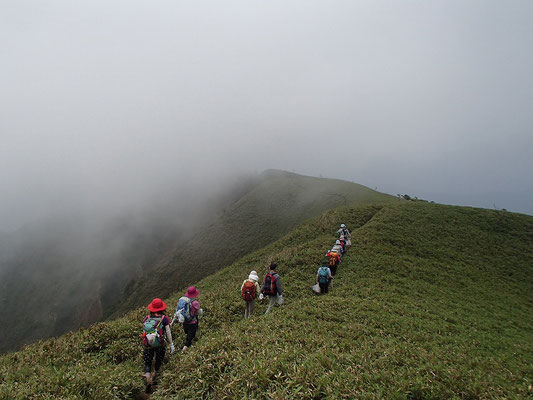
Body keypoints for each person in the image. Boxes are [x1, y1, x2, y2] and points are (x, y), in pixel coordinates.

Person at [142, 298, 175, 386]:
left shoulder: (147, 318)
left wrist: (146, 342)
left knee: (148, 362)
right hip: (160, 344)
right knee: (158, 360)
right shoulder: (164, 319)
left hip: (148, 344)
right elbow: (168, 332)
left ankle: (148, 375)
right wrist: (171, 344)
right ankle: (155, 375)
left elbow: (144, 332)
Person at [172, 286, 203, 352]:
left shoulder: (183, 301)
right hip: (192, 322)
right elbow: (198, 312)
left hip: (184, 322)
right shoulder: (195, 303)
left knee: (187, 332)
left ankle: (188, 339)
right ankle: (185, 347)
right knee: (190, 337)